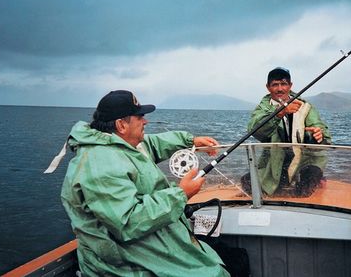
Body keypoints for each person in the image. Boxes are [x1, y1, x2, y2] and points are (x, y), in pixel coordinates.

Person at [60, 90, 230, 276]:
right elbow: (127, 223)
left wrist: (190, 141)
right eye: (140, 117)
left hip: (140, 246)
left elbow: (152, 143)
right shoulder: (100, 165)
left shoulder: (120, 143)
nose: (146, 121)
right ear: (121, 125)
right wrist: (181, 194)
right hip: (122, 264)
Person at [246, 67, 332, 196]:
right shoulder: (262, 109)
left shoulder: (305, 107)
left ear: (290, 85)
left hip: (305, 161)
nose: (280, 89)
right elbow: (256, 131)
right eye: (275, 85)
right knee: (248, 182)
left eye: (284, 84)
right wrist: (279, 113)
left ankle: (317, 181)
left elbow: (324, 134)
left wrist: (317, 135)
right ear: (268, 87)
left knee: (306, 185)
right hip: (274, 162)